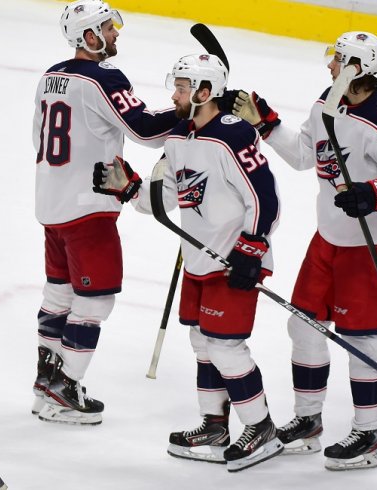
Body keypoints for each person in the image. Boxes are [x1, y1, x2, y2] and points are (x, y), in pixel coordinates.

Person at [231, 31, 377, 470]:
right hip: (328, 240)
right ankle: (308, 422)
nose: (329, 67)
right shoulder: (327, 102)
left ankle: (368, 435)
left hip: (369, 246)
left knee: (362, 340)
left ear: (358, 68)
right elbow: (305, 155)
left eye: (338, 60)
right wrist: (267, 124)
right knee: (303, 328)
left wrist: (375, 193)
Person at [96, 53, 283, 471]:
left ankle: (262, 428)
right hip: (199, 257)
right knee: (203, 343)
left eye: (182, 87)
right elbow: (170, 199)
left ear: (204, 92)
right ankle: (215, 426)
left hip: (234, 258)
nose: (174, 94)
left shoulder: (233, 136)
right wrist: (130, 191)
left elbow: (265, 198)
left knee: (226, 346)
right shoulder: (179, 137)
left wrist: (252, 249)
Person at [31, 0, 181, 426]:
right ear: (89, 37)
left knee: (58, 295)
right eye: (107, 28)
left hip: (51, 202)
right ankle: (65, 390)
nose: (115, 34)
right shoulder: (103, 78)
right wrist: (190, 111)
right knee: (95, 302)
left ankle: (46, 382)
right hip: (89, 208)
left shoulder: (50, 77)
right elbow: (146, 130)